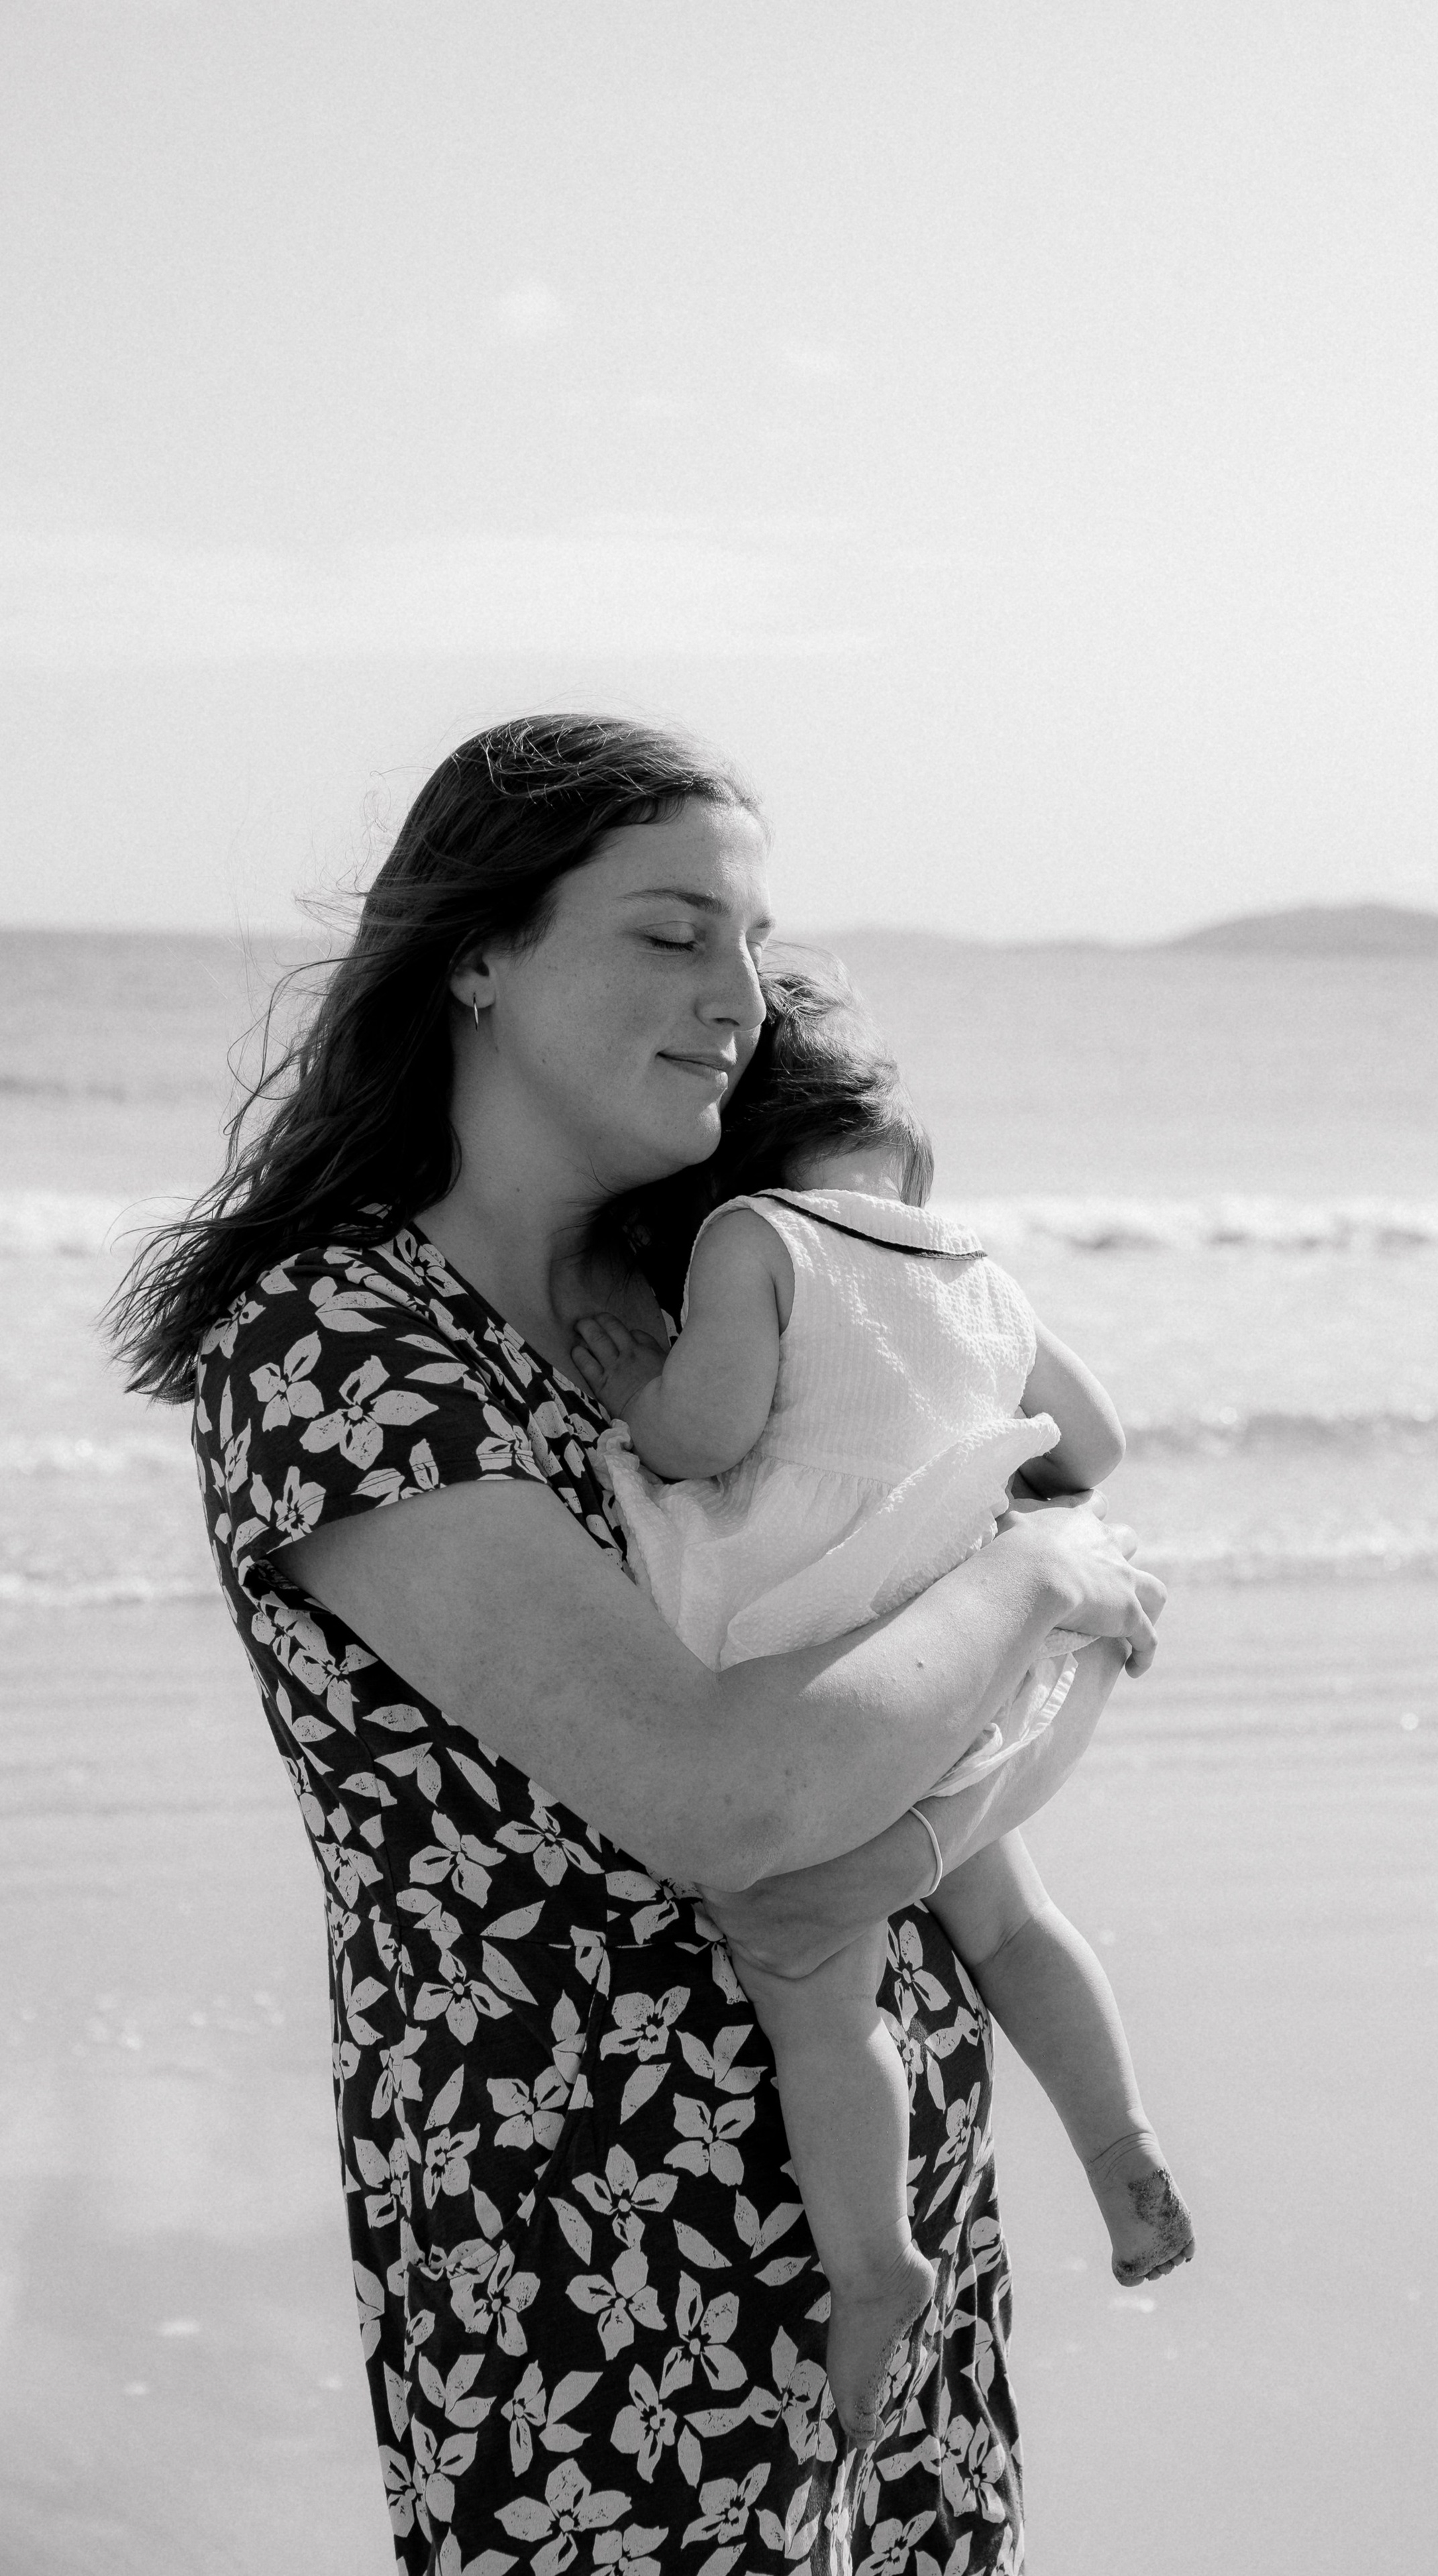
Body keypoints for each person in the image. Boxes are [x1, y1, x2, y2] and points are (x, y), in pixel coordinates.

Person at [107, 715, 1167, 2576]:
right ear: (478, 956)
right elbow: (722, 1794)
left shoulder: (705, 1290)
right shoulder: (340, 1343)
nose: (737, 996)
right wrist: (1044, 1581)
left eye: (754, 944)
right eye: (672, 934)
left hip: (876, 2197)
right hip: (589, 2244)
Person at [577, 965, 1194, 2440]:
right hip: (962, 1650)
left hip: (834, 1655)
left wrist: (638, 1389)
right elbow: (1091, 1445)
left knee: (812, 1989)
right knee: (1015, 1920)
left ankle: (872, 2265)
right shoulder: (972, 1266)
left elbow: (711, 1430)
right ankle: (1120, 2148)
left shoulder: (755, 1235)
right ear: (904, 1153)